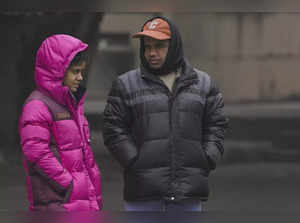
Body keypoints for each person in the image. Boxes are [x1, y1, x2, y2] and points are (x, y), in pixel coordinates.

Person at [102, 16, 228, 212]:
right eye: (147, 46)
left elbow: (216, 125)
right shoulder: (126, 84)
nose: (151, 53)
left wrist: (207, 157)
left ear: (175, 46)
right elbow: (113, 128)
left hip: (187, 195)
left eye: (159, 46)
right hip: (142, 194)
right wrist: (134, 160)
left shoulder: (204, 84)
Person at [19, 34, 102, 211]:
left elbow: (84, 155)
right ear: (57, 71)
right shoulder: (37, 105)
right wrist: (67, 183)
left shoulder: (71, 104)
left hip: (81, 201)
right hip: (58, 203)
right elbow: (36, 151)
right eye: (75, 71)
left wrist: (93, 195)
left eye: (82, 72)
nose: (80, 78)